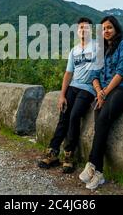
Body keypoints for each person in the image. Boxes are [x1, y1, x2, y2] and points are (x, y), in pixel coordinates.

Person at [79, 16, 123, 190]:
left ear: (116, 29)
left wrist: (104, 92)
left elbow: (121, 72)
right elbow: (94, 75)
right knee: (100, 122)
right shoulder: (101, 51)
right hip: (104, 92)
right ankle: (99, 173)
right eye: (103, 29)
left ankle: (91, 164)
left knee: (103, 119)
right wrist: (99, 92)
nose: (106, 31)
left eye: (109, 27)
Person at [38, 17, 97, 174]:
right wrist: (62, 95)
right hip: (73, 87)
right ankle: (53, 151)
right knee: (63, 115)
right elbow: (68, 73)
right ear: (77, 31)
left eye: (86, 28)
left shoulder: (98, 47)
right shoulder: (74, 50)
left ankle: (69, 155)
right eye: (80, 28)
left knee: (74, 116)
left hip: (88, 89)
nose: (83, 30)